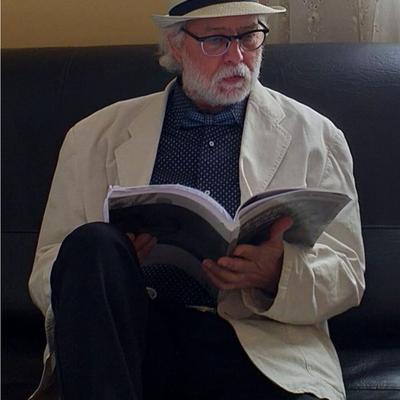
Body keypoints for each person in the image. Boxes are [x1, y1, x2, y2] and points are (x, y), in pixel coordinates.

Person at [28, 1, 365, 399]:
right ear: (176, 46)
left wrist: (276, 274)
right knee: (93, 244)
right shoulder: (92, 137)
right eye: (217, 40)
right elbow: (49, 266)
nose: (237, 56)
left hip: (260, 347)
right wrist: (114, 270)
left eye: (249, 36)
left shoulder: (317, 137)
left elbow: (347, 275)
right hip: (131, 342)